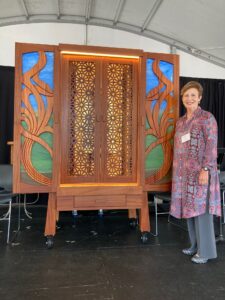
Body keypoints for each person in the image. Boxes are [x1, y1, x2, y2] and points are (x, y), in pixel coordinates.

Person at [170, 81, 221, 264]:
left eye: (193, 95)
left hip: (201, 173)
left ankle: (205, 252)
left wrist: (206, 169)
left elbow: (211, 146)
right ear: (182, 99)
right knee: (190, 211)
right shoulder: (181, 122)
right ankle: (195, 246)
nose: (189, 98)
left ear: (199, 98)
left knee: (201, 212)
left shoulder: (207, 118)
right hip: (184, 176)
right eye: (186, 96)